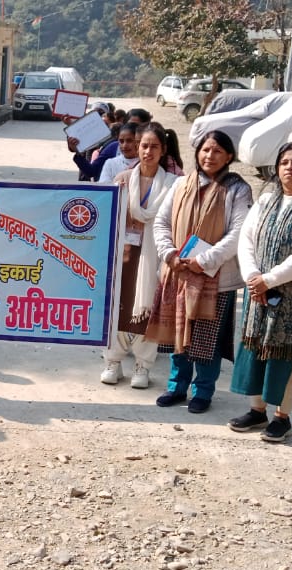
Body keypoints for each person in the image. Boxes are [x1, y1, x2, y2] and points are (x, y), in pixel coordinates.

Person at [227, 142, 292, 442]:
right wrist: (253, 277)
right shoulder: (266, 200)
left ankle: (282, 417)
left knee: (289, 355)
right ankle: (257, 410)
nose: (289, 167)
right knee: (256, 349)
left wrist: (269, 280)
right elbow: (246, 240)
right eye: (284, 162)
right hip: (258, 290)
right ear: (276, 168)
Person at [146, 130, 253, 414]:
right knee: (177, 333)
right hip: (178, 272)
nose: (210, 156)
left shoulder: (238, 189)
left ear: (229, 156)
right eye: (205, 150)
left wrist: (203, 260)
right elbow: (161, 222)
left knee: (207, 340)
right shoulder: (181, 183)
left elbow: (238, 233)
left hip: (215, 278)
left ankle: (203, 391)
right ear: (197, 152)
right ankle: (176, 386)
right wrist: (170, 254)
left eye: (217, 151)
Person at [102, 125, 179, 389]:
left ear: (163, 150)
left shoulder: (173, 184)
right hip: (124, 254)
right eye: (144, 146)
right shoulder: (123, 179)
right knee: (118, 307)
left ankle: (142, 366)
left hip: (154, 256)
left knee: (149, 310)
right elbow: (109, 216)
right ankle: (113, 361)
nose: (148, 151)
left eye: (154, 146)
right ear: (138, 147)